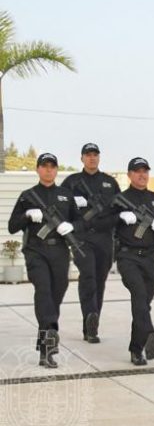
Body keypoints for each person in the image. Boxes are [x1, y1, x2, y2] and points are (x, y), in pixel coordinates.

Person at [8, 152, 80, 368]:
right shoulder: (27, 196)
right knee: (44, 291)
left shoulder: (66, 195)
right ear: (38, 169)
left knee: (56, 295)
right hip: (36, 251)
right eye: (44, 166)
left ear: (56, 170)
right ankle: (50, 341)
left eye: (52, 166)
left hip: (59, 251)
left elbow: (80, 222)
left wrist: (73, 226)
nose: (48, 170)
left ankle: (44, 341)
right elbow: (12, 227)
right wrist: (27, 215)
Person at [113, 157, 154, 366]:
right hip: (127, 256)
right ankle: (149, 334)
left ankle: (136, 348)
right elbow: (99, 222)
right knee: (139, 296)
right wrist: (120, 217)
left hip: (150, 257)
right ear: (130, 174)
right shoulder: (119, 199)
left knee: (143, 304)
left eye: (145, 171)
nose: (142, 175)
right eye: (137, 171)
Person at [60, 142, 121, 343]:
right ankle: (89, 316)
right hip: (82, 239)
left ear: (99, 157)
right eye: (88, 154)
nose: (92, 158)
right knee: (88, 276)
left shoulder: (109, 183)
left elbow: (119, 210)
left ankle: (93, 324)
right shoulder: (72, 182)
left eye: (95, 154)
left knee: (100, 281)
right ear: (82, 158)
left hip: (104, 238)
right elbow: (61, 208)